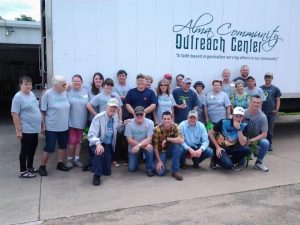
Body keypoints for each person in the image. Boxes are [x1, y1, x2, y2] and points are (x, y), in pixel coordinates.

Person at [39, 76, 70, 176]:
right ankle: (42, 166)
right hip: (51, 127)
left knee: (62, 145)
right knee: (50, 147)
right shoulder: (47, 94)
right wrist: (43, 125)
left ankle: (60, 164)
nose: (65, 85)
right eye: (63, 84)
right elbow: (42, 111)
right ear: (55, 85)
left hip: (64, 126)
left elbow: (70, 86)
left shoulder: (65, 91)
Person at [87, 78, 123, 167]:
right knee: (104, 139)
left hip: (113, 120)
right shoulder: (100, 96)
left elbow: (119, 108)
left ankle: (113, 159)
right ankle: (100, 159)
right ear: (104, 86)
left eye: (111, 85)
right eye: (107, 85)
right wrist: (96, 115)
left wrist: (120, 120)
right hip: (102, 121)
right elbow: (89, 105)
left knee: (112, 141)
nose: (109, 87)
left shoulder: (115, 96)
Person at [87, 98, 124, 186]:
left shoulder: (115, 117)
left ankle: (92, 165)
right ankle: (96, 176)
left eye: (115, 107)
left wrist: (122, 124)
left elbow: (118, 130)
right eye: (111, 107)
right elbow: (91, 135)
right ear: (107, 106)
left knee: (107, 172)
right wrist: (98, 144)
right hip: (97, 143)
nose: (112, 109)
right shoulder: (98, 117)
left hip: (107, 145)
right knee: (99, 152)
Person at [11, 76, 42, 178]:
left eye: (30, 84)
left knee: (33, 148)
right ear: (20, 85)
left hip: (34, 128)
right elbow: (15, 114)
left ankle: (30, 167)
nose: (28, 86)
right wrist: (19, 131)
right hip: (26, 129)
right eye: (25, 84)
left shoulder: (31, 94)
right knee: (25, 150)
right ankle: (23, 171)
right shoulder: (18, 97)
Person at [82, 72, 104, 171]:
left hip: (103, 121)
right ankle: (91, 161)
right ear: (93, 80)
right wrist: (96, 115)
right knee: (91, 141)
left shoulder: (104, 89)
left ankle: (96, 161)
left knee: (100, 141)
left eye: (100, 78)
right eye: (96, 78)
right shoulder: (88, 88)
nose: (98, 80)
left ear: (102, 80)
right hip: (92, 119)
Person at [153, 111, 184, 180]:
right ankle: (156, 163)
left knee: (178, 147)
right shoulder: (156, 129)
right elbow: (155, 147)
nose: (166, 120)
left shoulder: (175, 126)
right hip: (161, 151)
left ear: (171, 119)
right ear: (162, 119)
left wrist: (167, 139)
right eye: (165, 119)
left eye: (168, 119)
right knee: (160, 173)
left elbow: (181, 140)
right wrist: (159, 161)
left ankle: (175, 171)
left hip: (170, 149)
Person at [66, 74, 89, 169]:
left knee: (79, 142)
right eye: (74, 81)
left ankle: (77, 159)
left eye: (78, 81)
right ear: (72, 82)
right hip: (71, 121)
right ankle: (69, 160)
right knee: (72, 142)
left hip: (82, 121)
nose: (76, 82)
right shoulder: (68, 91)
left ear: (82, 82)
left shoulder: (85, 91)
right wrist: (66, 86)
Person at [124, 106, 155, 176]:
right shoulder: (128, 123)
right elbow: (129, 140)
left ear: (144, 114)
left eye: (141, 114)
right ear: (134, 115)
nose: (139, 116)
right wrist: (140, 146)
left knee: (150, 148)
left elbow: (149, 139)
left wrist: (139, 146)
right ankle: (138, 158)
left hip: (144, 145)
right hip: (133, 146)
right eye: (137, 114)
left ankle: (149, 169)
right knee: (132, 169)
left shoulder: (150, 123)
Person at [244, 95, 270, 172]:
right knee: (241, 162)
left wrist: (251, 140)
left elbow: (264, 134)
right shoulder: (243, 113)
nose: (256, 104)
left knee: (265, 142)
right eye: (254, 102)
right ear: (250, 103)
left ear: (260, 104)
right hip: (242, 138)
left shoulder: (262, 117)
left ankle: (258, 162)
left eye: (258, 103)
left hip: (255, 139)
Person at [114, 69, 132, 164]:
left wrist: (124, 97)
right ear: (118, 77)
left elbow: (130, 97)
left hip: (128, 112)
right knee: (118, 135)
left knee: (127, 134)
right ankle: (117, 155)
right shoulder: (115, 87)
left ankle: (126, 155)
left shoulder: (130, 86)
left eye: (123, 75)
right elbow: (116, 98)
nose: (122, 77)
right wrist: (126, 97)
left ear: (126, 77)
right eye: (120, 75)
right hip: (119, 112)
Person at [260, 72, 282, 151]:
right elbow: (258, 100)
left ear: (272, 78)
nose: (267, 79)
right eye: (266, 77)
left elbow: (278, 100)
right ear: (264, 78)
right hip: (262, 112)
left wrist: (276, 109)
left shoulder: (276, 89)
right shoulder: (260, 88)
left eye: (269, 77)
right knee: (261, 129)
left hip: (271, 113)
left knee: (270, 130)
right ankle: (260, 144)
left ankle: (269, 144)